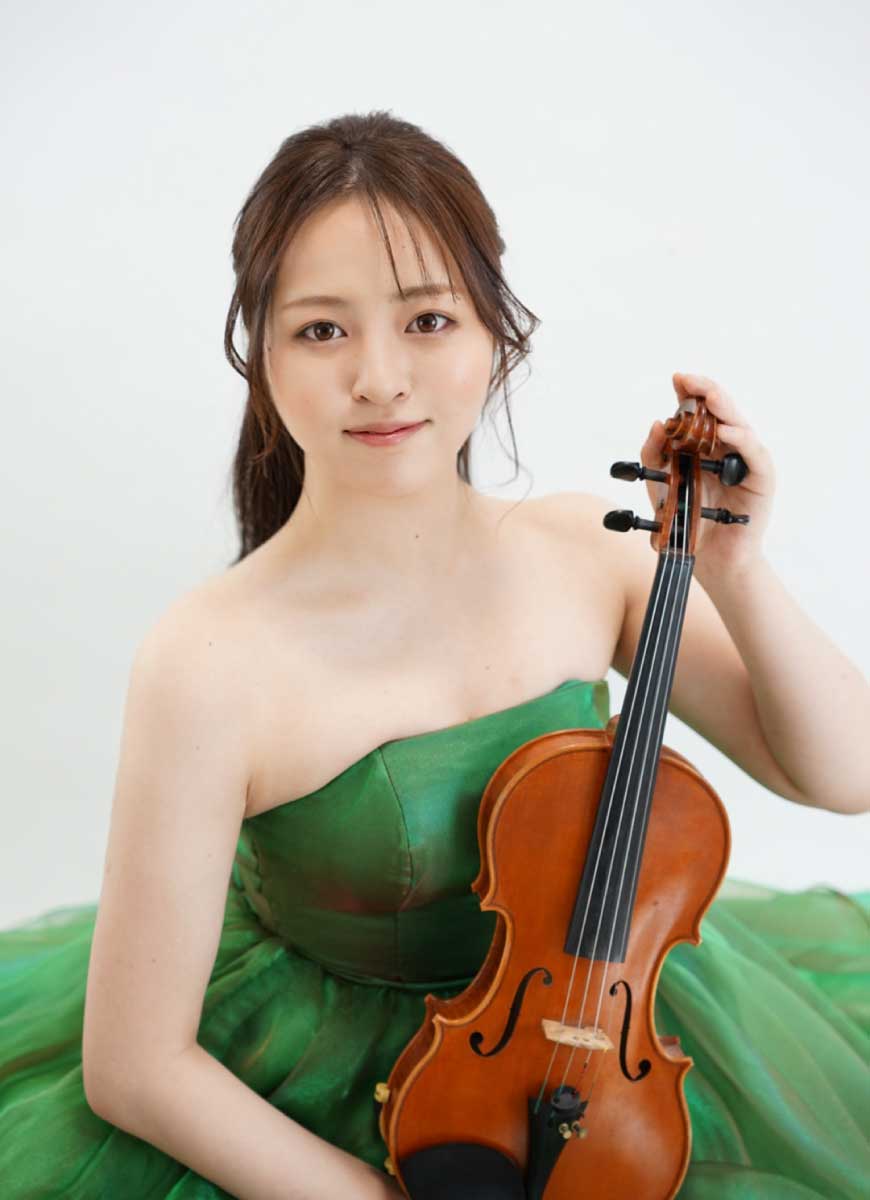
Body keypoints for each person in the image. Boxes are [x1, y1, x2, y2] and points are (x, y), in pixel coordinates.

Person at [0, 109, 867, 1200]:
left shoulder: (582, 554)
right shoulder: (207, 661)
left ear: (497, 333)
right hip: (308, 1100)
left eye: (427, 320)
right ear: (259, 354)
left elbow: (842, 775)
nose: (379, 378)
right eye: (322, 330)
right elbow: (136, 1068)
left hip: (606, 1044)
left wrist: (734, 570)